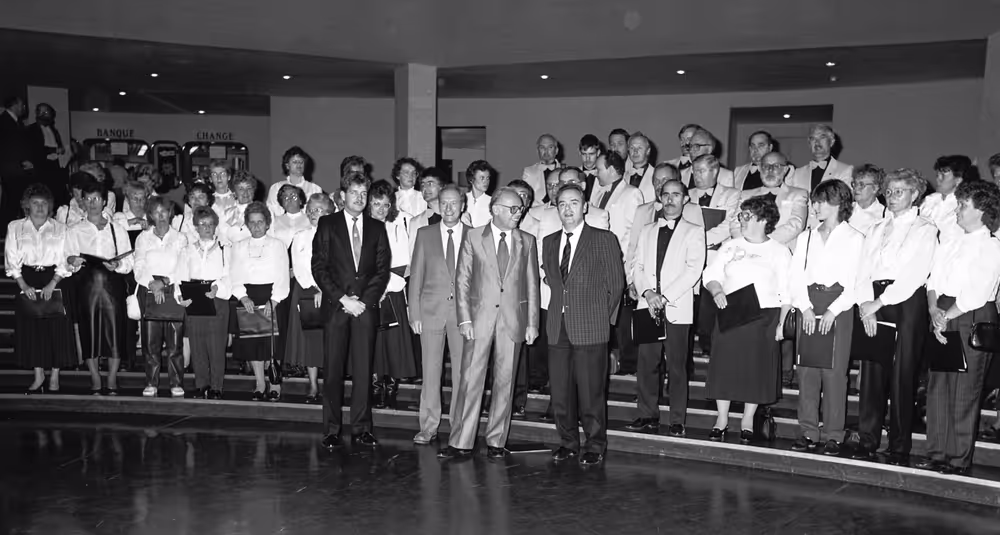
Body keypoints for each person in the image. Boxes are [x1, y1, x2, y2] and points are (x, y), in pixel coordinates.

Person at [439, 187, 540, 460]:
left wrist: (532, 323)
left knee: (505, 383)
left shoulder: (527, 241)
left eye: (520, 209)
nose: (519, 213)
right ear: (495, 209)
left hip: (513, 321)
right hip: (479, 320)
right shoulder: (472, 236)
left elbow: (532, 285)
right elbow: (462, 280)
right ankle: (461, 441)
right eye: (513, 208)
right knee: (471, 381)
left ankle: (496, 440)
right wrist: (465, 319)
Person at [914, 180, 1000, 475]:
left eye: (964, 205)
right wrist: (932, 309)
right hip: (942, 311)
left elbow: (976, 292)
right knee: (938, 385)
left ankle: (958, 458)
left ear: (982, 210)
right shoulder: (950, 241)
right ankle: (937, 452)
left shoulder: (991, 246)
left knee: (965, 390)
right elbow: (933, 280)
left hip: (970, 315)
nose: (958, 210)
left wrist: (946, 316)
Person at [853, 168, 937, 465]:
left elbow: (915, 274)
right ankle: (868, 438)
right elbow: (862, 269)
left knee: (903, 375)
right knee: (872, 372)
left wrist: (880, 302)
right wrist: (865, 304)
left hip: (905, 301)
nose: (892, 196)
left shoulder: (925, 229)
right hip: (873, 300)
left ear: (915, 194)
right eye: (888, 191)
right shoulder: (876, 227)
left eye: (899, 191)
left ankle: (899, 445)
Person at [543, 183, 624, 466]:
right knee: (561, 393)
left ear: (585, 206)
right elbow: (555, 284)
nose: (567, 209)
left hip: (591, 327)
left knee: (591, 392)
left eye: (574, 203)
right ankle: (567, 442)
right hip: (556, 326)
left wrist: (604, 321)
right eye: (562, 203)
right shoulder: (549, 242)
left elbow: (616, 286)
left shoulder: (604, 239)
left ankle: (595, 444)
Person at [703, 195, 791, 444]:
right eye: (740, 215)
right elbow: (710, 273)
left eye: (747, 216)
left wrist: (782, 323)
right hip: (731, 312)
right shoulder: (730, 246)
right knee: (724, 366)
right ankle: (721, 418)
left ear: (763, 220)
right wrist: (717, 290)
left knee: (755, 368)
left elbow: (787, 290)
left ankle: (748, 419)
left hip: (764, 316)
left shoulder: (779, 250)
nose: (741, 220)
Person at [313, 172, 391, 449]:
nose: (359, 198)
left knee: (363, 370)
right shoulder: (327, 224)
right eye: (354, 192)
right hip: (337, 308)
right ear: (343, 195)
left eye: (364, 193)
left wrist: (364, 302)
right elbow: (319, 268)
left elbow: (381, 272)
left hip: (365, 309)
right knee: (333, 371)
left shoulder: (377, 228)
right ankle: (331, 429)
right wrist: (343, 299)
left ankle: (361, 427)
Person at [787, 180, 864, 456]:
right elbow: (795, 276)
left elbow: (856, 282)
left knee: (834, 374)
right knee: (807, 372)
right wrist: (806, 307)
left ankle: (834, 434)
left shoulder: (855, 238)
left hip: (838, 307)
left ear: (838, 203)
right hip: (809, 302)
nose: (815, 206)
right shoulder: (805, 237)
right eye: (814, 201)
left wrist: (833, 310)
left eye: (820, 201)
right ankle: (808, 431)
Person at [627, 179, 706, 436]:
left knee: (676, 366)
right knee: (646, 363)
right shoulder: (648, 230)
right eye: (666, 194)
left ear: (685, 199)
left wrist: (665, 296)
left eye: (676, 194)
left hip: (676, 307)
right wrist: (648, 293)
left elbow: (694, 269)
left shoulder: (694, 230)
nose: (670, 199)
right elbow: (637, 266)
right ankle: (646, 414)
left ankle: (676, 419)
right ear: (660, 198)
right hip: (647, 305)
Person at [410, 184, 470, 444]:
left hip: (463, 316)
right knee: (431, 371)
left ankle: (459, 426)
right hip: (430, 312)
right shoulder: (425, 234)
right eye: (443, 203)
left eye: (454, 203)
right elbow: (416, 276)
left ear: (463, 205)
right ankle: (429, 426)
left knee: (461, 373)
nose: (448, 208)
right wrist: (414, 312)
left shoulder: (475, 235)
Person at [65, 180, 134, 395]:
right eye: (88, 198)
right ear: (82, 202)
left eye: (97, 198)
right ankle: (95, 378)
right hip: (86, 286)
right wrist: (72, 261)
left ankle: (112, 378)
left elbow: (129, 260)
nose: (93, 203)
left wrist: (118, 265)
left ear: (104, 201)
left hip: (112, 285)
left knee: (115, 332)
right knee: (89, 331)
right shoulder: (75, 230)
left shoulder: (117, 229)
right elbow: (66, 258)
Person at [6, 183, 75, 393]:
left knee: (56, 330)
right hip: (26, 278)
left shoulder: (61, 228)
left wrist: (52, 282)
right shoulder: (15, 226)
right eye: (35, 203)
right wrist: (23, 285)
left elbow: (66, 259)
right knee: (32, 330)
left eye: (44, 203)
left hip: (55, 278)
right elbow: (11, 258)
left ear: (50, 206)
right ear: (27, 205)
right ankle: (38, 375)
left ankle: (54, 375)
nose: (39, 207)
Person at [229, 201, 290, 401]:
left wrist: (275, 300)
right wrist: (242, 296)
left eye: (260, 222)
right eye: (252, 222)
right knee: (253, 343)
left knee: (273, 343)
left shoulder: (277, 244)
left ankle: (274, 383)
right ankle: (259, 383)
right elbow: (234, 273)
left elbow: (282, 274)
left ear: (267, 223)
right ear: (247, 224)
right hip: (247, 297)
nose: (256, 226)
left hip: (272, 296)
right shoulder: (238, 246)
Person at [133, 196, 189, 398]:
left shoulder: (180, 238)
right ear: (150, 215)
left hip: (173, 289)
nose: (161, 216)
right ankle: (151, 382)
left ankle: (176, 382)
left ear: (170, 213)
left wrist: (164, 282)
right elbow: (138, 266)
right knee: (150, 343)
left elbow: (183, 267)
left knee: (175, 344)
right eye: (156, 212)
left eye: (164, 211)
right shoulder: (143, 238)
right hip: (149, 291)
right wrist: (152, 284)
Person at [175, 206, 232, 400]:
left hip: (216, 297)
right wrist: (180, 296)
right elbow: (180, 275)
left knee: (216, 345)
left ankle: (216, 385)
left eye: (210, 224)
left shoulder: (225, 249)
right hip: (194, 296)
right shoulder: (187, 250)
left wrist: (217, 287)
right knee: (197, 343)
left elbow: (229, 275)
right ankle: (202, 384)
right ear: (196, 227)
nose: (206, 227)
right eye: (202, 224)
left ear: (215, 226)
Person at [368, 180, 416, 408]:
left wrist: (383, 287)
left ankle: (391, 385)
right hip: (366, 294)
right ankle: (376, 385)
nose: (381, 209)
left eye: (386, 205)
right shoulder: (360, 227)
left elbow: (403, 263)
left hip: (392, 290)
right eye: (377, 204)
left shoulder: (397, 226)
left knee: (393, 342)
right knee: (372, 342)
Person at [286, 194, 335, 403]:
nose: (316, 214)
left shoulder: (338, 236)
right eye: (313, 210)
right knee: (310, 342)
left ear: (330, 213)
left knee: (332, 341)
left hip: (333, 293)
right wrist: (315, 287)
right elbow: (298, 267)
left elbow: (339, 268)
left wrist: (325, 289)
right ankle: (313, 386)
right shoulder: (300, 236)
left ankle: (331, 387)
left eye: (321, 210)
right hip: (306, 291)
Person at [732, 151, 808, 250]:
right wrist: (748, 244)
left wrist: (764, 243)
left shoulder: (798, 194)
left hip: (781, 250)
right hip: (747, 250)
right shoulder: (745, 195)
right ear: (759, 168)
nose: (770, 170)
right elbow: (735, 223)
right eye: (765, 166)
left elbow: (795, 225)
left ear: (785, 170)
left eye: (776, 166)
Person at [921, 155, 974, 244]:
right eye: (937, 175)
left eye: (943, 176)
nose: (938, 179)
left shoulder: (964, 206)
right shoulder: (930, 199)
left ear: (958, 180)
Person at [0, 96, 34, 231]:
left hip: (15, 167)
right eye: (22, 105)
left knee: (14, 200)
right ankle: (6, 231)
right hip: (11, 167)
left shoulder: (16, 122)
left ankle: (9, 231)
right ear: (15, 105)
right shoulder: (4, 121)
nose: (23, 108)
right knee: (12, 201)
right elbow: (9, 147)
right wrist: (21, 161)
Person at [788, 124, 854, 192]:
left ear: (831, 142)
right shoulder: (798, 173)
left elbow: (845, 199)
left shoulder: (845, 170)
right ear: (809, 144)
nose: (817, 142)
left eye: (822, 137)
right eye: (813, 138)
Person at [26, 103, 68, 207]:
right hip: (40, 167)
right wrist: (54, 150)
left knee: (57, 195)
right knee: (42, 196)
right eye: (40, 111)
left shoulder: (54, 130)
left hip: (54, 166)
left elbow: (59, 145)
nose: (43, 114)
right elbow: (34, 149)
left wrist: (61, 149)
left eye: (46, 112)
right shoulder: (31, 130)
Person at [267, 146, 323, 217]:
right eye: (295, 162)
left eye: (301, 162)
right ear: (287, 166)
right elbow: (271, 214)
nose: (299, 165)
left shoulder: (315, 189)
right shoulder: (276, 188)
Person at [848, 164, 887, 236]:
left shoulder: (884, 215)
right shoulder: (845, 209)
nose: (856, 188)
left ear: (875, 188)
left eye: (861, 185)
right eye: (855, 184)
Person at [521, 134, 560, 205]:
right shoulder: (529, 172)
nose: (546, 151)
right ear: (537, 150)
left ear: (556, 150)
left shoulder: (565, 172)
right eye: (542, 148)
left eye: (550, 147)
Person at [220, 170, 257, 245]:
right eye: (241, 189)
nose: (245, 193)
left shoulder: (263, 212)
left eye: (249, 188)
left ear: (254, 190)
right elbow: (222, 240)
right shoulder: (226, 214)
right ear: (234, 192)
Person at [462, 160, 496, 228]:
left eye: (488, 178)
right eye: (482, 178)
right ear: (471, 179)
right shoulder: (462, 199)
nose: (486, 182)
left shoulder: (493, 202)